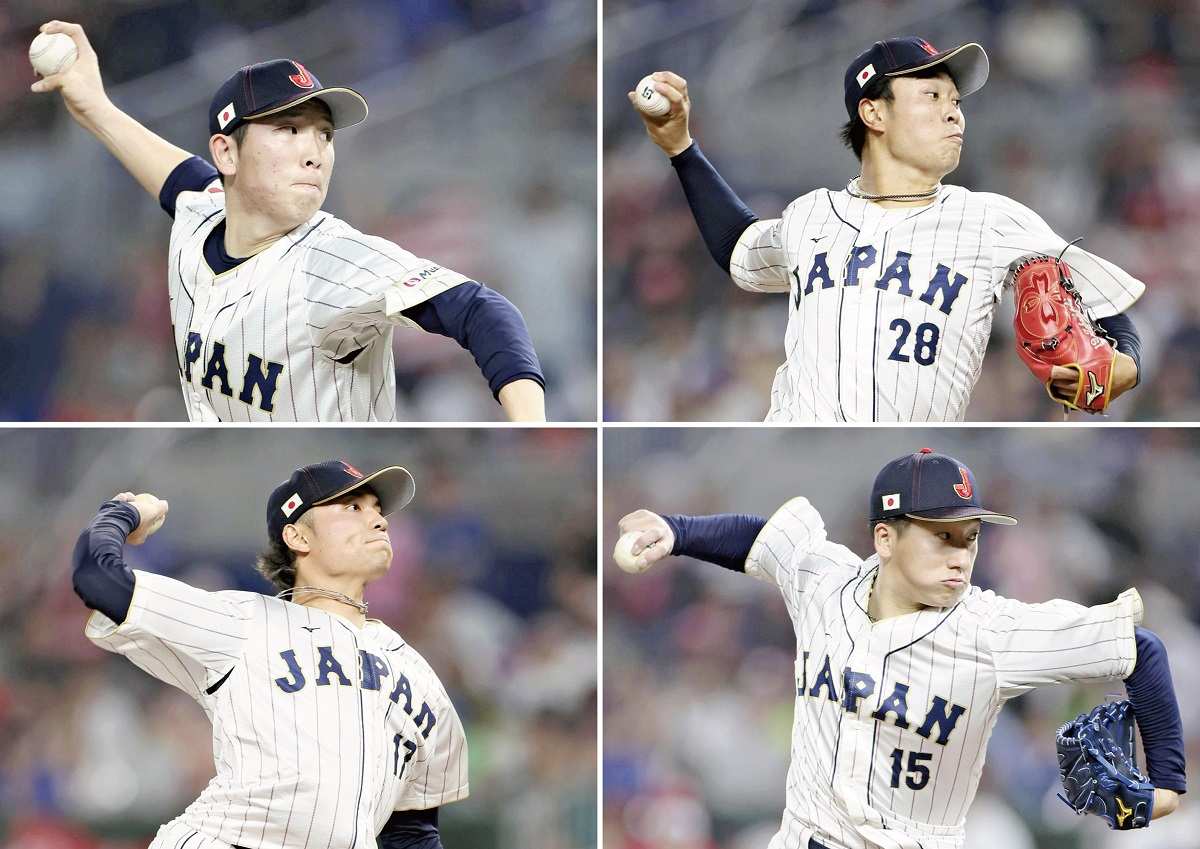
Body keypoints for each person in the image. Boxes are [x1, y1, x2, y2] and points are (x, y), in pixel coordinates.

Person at [616, 448, 1186, 849]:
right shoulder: (825, 581)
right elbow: (762, 541)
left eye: (971, 535)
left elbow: (1140, 649)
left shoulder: (993, 630)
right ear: (884, 537)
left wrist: (1166, 786)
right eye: (942, 535)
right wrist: (677, 530)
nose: (961, 554)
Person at [34, 19, 545, 422]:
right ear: (227, 155)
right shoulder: (202, 211)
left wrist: (528, 421)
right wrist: (93, 105)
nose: (315, 152)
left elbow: (481, 311)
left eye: (324, 134)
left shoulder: (334, 261)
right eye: (288, 129)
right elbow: (179, 177)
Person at [629, 37, 1145, 422]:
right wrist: (681, 148)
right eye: (932, 97)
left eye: (957, 103)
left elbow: (1106, 307)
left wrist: (1126, 365)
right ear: (873, 112)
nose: (955, 115)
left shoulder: (994, 220)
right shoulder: (812, 213)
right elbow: (740, 249)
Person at [73, 459, 467, 849]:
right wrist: (125, 512)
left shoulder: (418, 674)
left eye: (378, 510)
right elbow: (98, 577)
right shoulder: (244, 622)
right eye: (353, 507)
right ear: (299, 538)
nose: (379, 520)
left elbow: (411, 834)